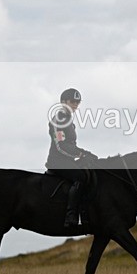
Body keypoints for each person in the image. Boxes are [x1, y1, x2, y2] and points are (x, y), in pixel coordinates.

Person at [46, 88, 97, 228]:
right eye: (72, 102)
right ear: (63, 102)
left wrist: (86, 153)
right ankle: (71, 217)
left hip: (67, 161)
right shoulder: (59, 120)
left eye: (77, 102)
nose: (75, 105)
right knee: (81, 177)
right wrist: (80, 154)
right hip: (57, 163)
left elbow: (71, 145)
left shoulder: (69, 121)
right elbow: (60, 146)